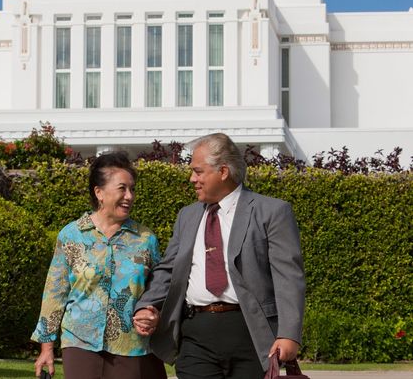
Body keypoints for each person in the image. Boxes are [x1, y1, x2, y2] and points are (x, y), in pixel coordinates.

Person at [133, 133, 305, 379]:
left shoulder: (272, 212)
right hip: (195, 337)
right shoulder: (187, 216)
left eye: (198, 171)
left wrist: (289, 334)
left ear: (223, 171)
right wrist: (148, 305)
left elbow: (289, 278)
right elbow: (169, 269)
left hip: (252, 336)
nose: (192, 178)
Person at [32, 151, 167, 379]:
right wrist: (46, 346)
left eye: (132, 189)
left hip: (130, 344)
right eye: (122, 188)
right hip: (79, 341)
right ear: (99, 192)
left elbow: (160, 288)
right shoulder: (72, 235)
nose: (130, 196)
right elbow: (55, 291)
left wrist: (154, 313)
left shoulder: (145, 239)